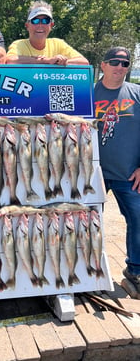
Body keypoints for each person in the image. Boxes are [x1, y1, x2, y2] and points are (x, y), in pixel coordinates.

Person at [94, 46, 140, 294]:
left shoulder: (136, 93)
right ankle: (88, 273)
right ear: (102, 65)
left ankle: (135, 272)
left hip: (128, 174)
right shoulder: (87, 93)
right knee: (87, 224)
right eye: (114, 61)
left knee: (138, 220)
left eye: (125, 63)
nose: (120, 67)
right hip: (94, 175)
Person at [6, 0, 89, 65]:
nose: (40, 25)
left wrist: (61, 62)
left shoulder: (58, 43)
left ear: (51, 25)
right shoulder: (18, 45)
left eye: (46, 21)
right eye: (36, 20)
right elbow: (10, 60)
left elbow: (84, 62)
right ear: (27, 25)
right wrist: (47, 61)